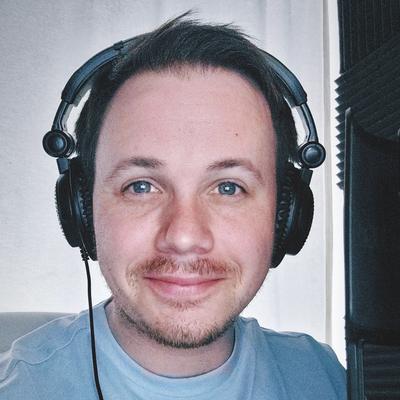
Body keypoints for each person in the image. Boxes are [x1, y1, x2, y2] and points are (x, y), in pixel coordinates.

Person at [0, 14, 346, 399]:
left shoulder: (329, 381)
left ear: (286, 215)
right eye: (141, 187)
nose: (183, 236)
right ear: (82, 209)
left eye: (228, 187)